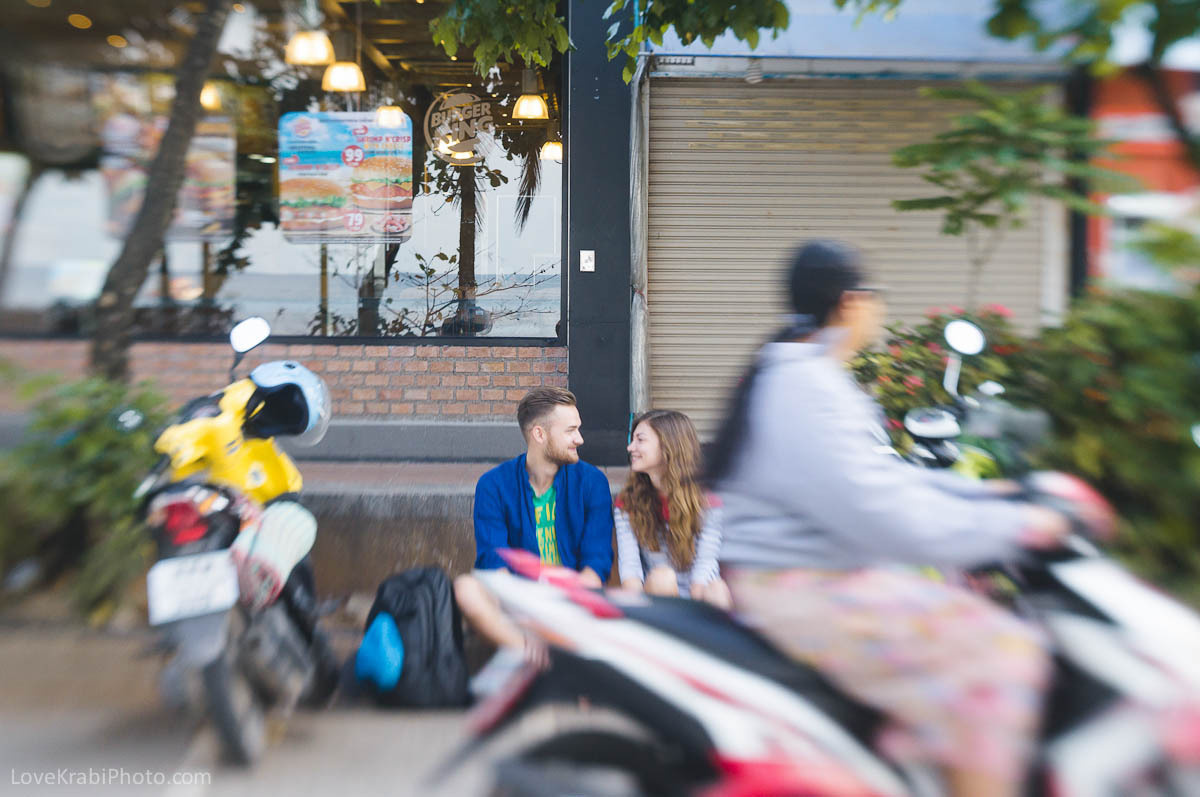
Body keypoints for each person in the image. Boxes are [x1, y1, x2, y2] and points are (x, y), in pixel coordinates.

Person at [709, 241, 1112, 797]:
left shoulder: (801, 374)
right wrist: (1020, 527)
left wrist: (1001, 495)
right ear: (850, 302)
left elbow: (886, 481)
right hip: (810, 590)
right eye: (874, 296)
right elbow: (883, 513)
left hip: (818, 580)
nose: (878, 308)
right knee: (1006, 655)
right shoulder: (807, 386)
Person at [454, 387, 614, 658]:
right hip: (518, 601)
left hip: (572, 601)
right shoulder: (494, 485)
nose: (580, 439)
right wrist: (528, 606)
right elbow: (493, 561)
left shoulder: (592, 483)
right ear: (539, 434)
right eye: (570, 431)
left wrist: (564, 603)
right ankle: (536, 655)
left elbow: (596, 563)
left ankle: (545, 653)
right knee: (466, 588)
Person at [615, 409, 731, 608]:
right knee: (663, 577)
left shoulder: (707, 499)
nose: (630, 447)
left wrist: (693, 609)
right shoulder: (628, 501)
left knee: (717, 589)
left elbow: (706, 563)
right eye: (632, 440)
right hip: (656, 596)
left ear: (668, 446)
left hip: (699, 593)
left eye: (640, 440)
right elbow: (630, 569)